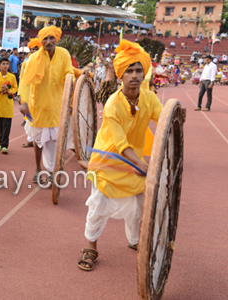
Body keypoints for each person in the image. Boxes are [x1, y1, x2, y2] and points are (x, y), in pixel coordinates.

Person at [77, 39, 186, 271]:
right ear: (120, 76)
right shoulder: (112, 105)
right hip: (107, 163)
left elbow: (166, 122)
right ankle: (91, 247)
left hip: (134, 163)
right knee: (98, 207)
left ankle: (136, 240)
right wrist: (148, 168)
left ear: (144, 73)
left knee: (138, 206)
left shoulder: (148, 98)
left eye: (139, 70)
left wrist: (178, 116)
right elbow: (121, 146)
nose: (134, 75)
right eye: (129, 70)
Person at [19, 26, 74, 184]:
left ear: (56, 39)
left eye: (51, 38)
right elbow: (26, 82)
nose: (48, 41)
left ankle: (52, 171)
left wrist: (71, 79)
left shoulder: (64, 54)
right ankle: (38, 168)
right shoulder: (34, 59)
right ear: (41, 41)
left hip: (57, 106)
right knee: (39, 141)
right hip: (39, 107)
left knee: (55, 142)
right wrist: (24, 102)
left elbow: (68, 72)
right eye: (45, 39)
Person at [18, 38, 41, 148]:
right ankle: (31, 139)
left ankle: (39, 140)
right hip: (28, 93)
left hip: (41, 93)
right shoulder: (25, 63)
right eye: (32, 49)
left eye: (37, 49)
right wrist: (20, 95)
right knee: (28, 118)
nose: (34, 51)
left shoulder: (44, 61)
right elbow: (22, 79)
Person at [0, 57, 17, 154]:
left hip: (7, 104)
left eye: (6, 64)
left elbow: (15, 87)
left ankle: (5, 145)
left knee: (6, 125)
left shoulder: (12, 77)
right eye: (3, 64)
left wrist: (9, 91)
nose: (5, 66)